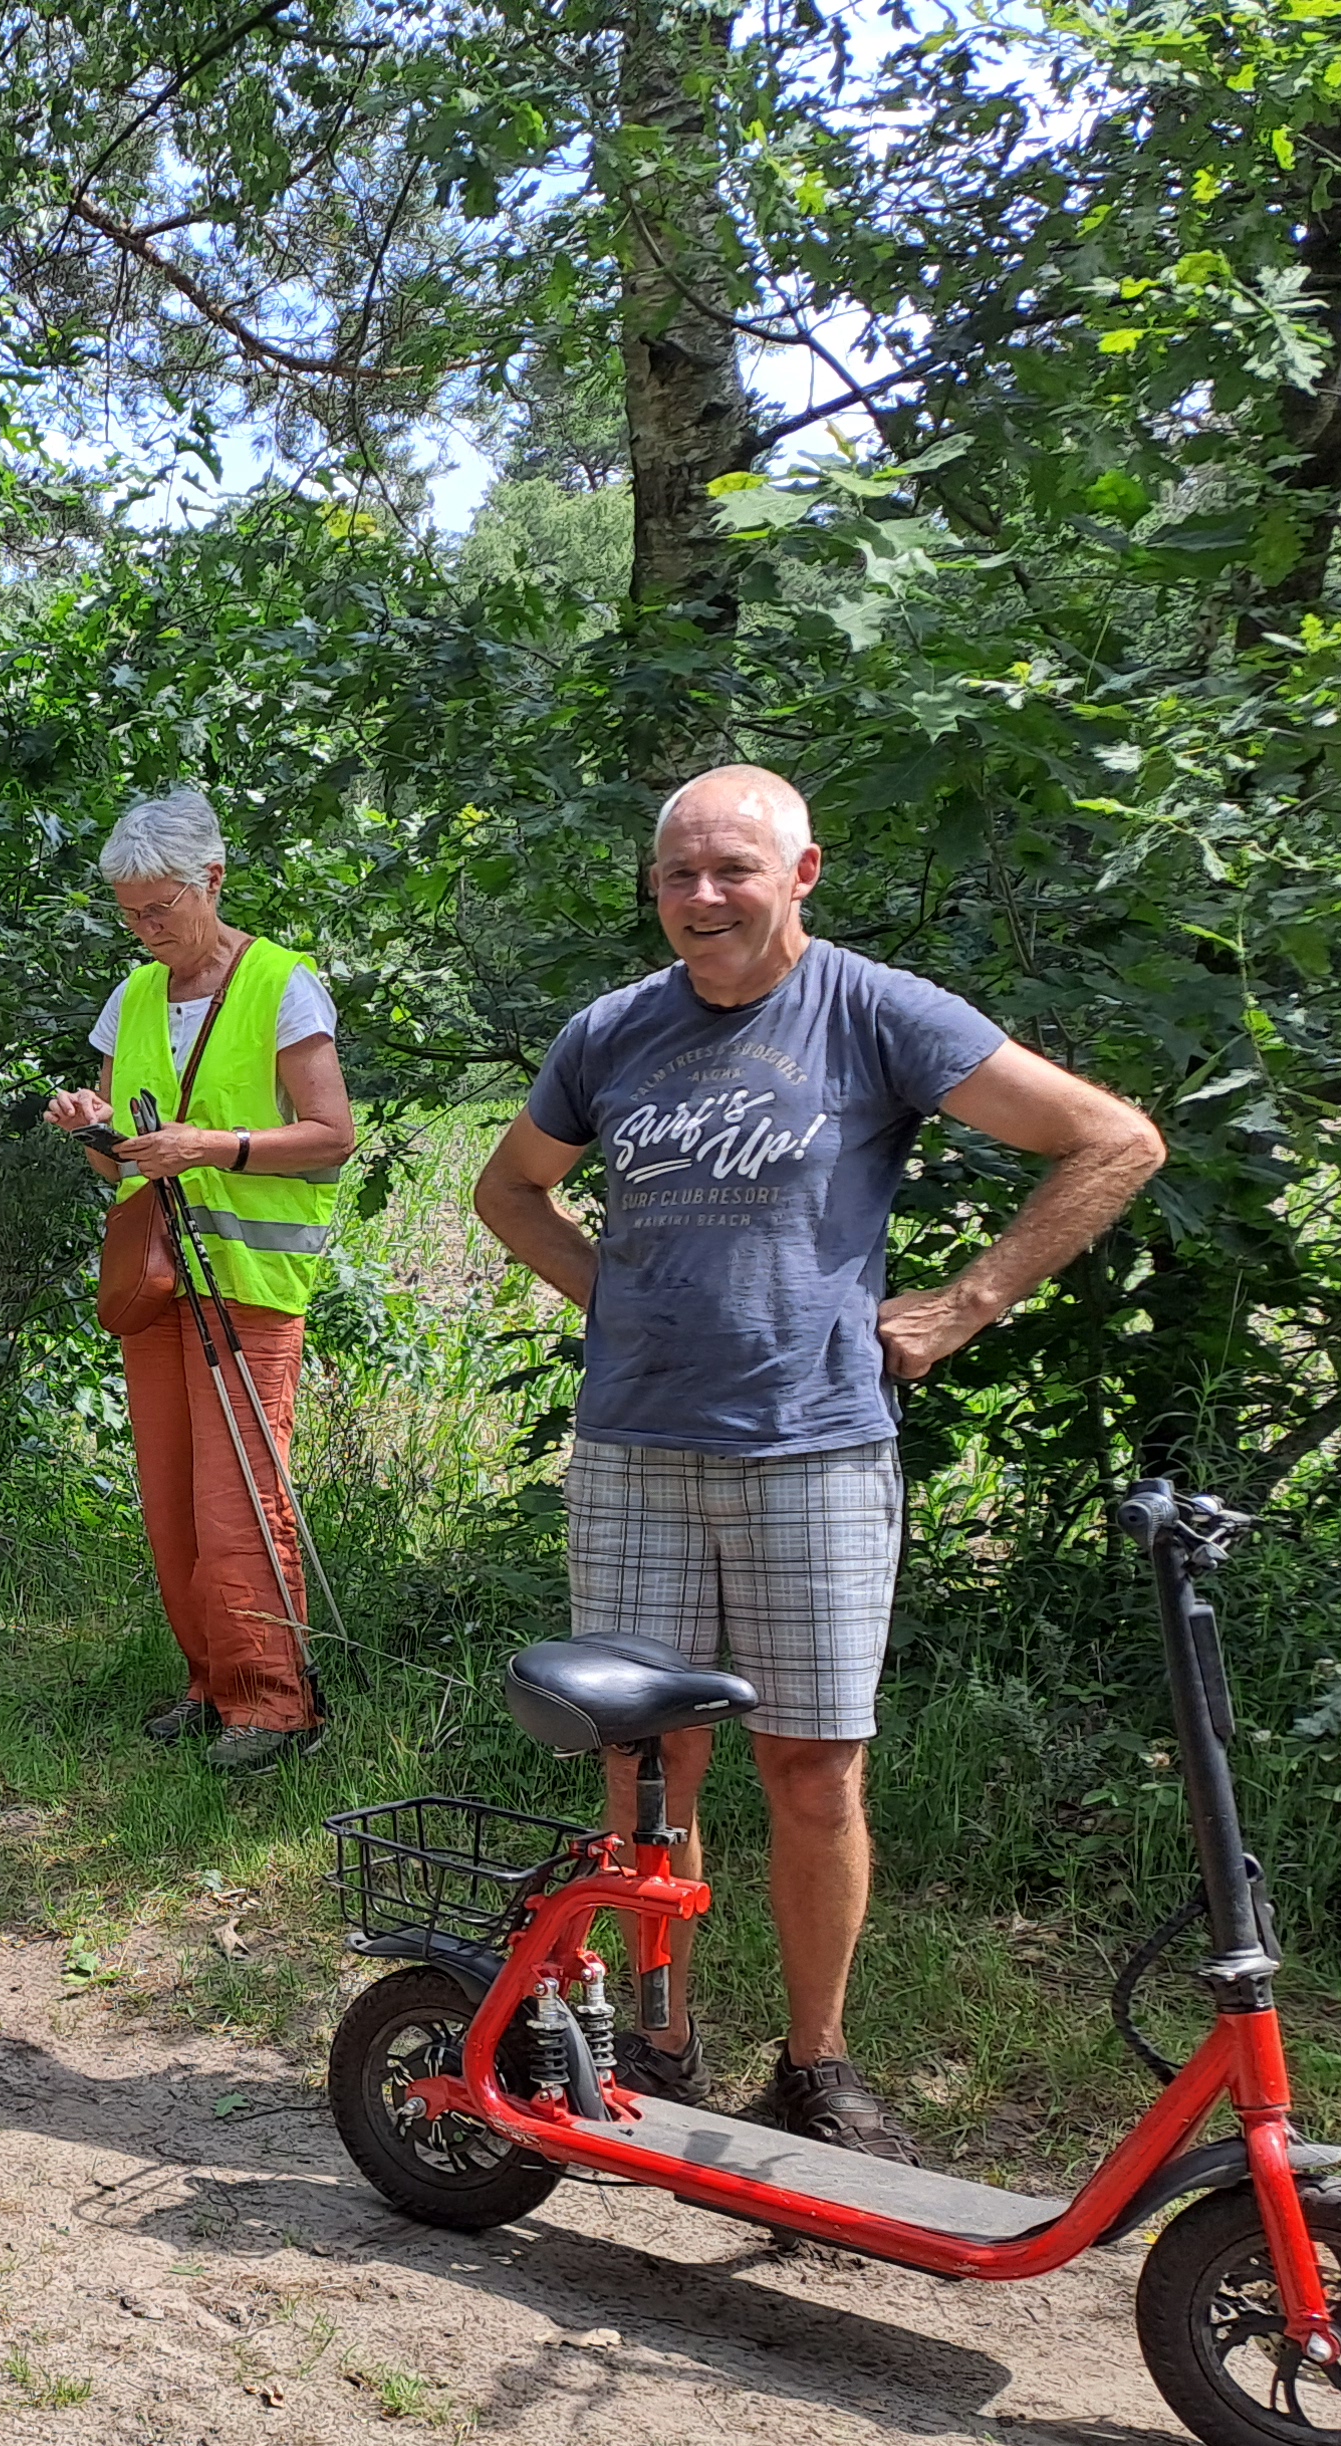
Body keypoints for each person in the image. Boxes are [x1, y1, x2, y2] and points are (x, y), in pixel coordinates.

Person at [472, 763, 1165, 2162]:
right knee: (646, 1767)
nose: (703, 897)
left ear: (802, 873)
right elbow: (508, 1188)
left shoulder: (875, 1013)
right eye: (679, 874)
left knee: (811, 1768)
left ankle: (820, 2062)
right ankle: (654, 2034)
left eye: (733, 869)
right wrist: (616, 1300)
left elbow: (1113, 1140)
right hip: (634, 1448)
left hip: (813, 1450)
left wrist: (967, 1304)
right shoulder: (612, 1033)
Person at [46, 788, 357, 1776]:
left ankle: (276, 1702)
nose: (142, 931)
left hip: (249, 1280)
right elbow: (119, 1163)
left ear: (210, 881)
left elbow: (332, 1137)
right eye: (128, 912)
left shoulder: (281, 984)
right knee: (172, 1499)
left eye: (158, 911)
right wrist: (92, 1126)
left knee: (237, 1500)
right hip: (155, 1280)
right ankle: (208, 1685)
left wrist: (211, 1145)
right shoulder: (131, 996)